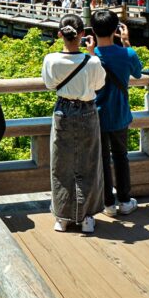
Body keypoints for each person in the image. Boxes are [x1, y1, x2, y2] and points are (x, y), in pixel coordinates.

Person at [42, 14, 106, 233]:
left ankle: (62, 217)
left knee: (61, 164)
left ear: (60, 34)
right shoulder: (93, 61)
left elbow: (50, 85)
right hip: (88, 111)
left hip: (63, 110)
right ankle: (87, 217)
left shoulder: (51, 59)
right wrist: (90, 54)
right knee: (89, 163)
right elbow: (99, 84)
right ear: (82, 35)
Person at [89, 10, 143, 217]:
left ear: (92, 31)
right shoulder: (127, 54)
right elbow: (137, 73)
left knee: (102, 159)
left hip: (97, 115)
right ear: (116, 30)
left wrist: (91, 52)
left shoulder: (90, 58)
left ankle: (108, 203)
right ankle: (125, 200)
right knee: (121, 156)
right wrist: (127, 42)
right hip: (120, 113)